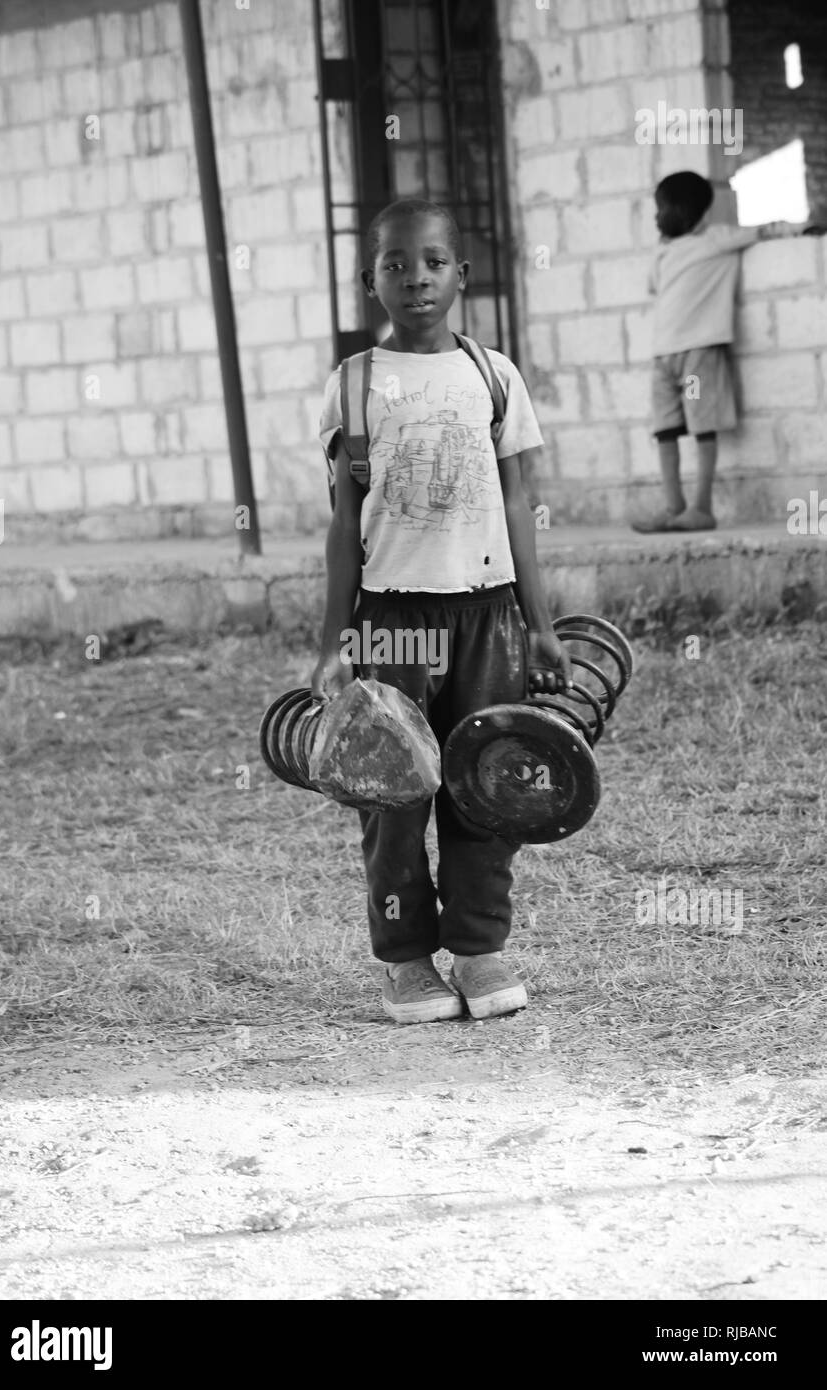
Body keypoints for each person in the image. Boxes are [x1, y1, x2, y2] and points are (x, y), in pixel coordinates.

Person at [311, 197, 573, 1025]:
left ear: (461, 273)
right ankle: (407, 961)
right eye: (395, 264)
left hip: (488, 614)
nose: (414, 277)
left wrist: (539, 623)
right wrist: (331, 645)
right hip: (392, 621)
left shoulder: (494, 376)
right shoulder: (352, 386)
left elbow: (521, 510)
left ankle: (481, 948)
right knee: (392, 793)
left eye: (431, 261)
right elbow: (343, 529)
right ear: (370, 281)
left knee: (487, 790)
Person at [633, 171, 802, 533]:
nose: (655, 216)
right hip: (663, 357)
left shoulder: (716, 239)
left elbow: (763, 231)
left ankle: (702, 507)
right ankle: (673, 506)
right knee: (664, 429)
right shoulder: (664, 250)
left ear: (683, 210)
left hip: (699, 352)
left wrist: (803, 228)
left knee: (702, 426)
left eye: (660, 208)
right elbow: (652, 285)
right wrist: (662, 245)